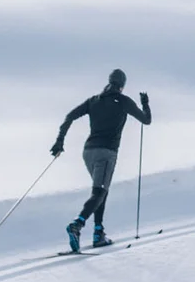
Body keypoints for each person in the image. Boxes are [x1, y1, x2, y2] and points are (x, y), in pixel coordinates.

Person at [51, 69, 151, 252]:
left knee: (99, 192)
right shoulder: (123, 101)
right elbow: (146, 120)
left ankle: (98, 233)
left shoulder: (94, 101)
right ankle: (77, 224)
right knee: (100, 192)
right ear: (122, 85)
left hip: (88, 152)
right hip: (107, 153)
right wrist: (145, 104)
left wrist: (59, 141)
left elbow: (69, 117)